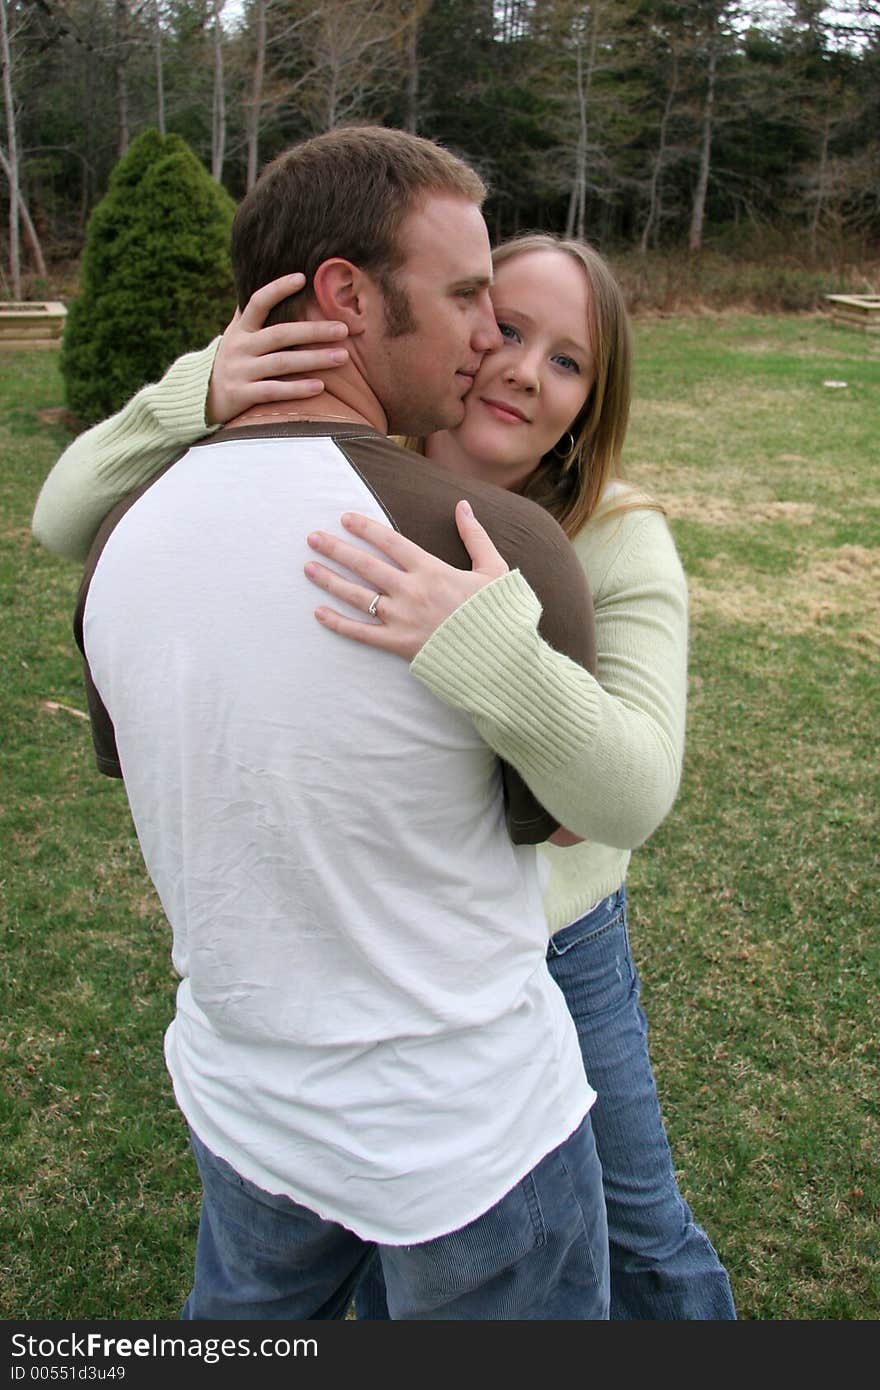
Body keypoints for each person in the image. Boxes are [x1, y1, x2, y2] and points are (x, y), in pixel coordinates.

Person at [34, 229, 736, 1318]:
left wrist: (498, 662)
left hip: (558, 940)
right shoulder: (332, 491)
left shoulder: (612, 539)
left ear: (592, 404)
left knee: (635, 1223)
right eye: (504, 326)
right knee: (364, 1239)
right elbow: (64, 513)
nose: (519, 368)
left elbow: (629, 783)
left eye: (567, 362)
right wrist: (194, 393)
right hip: (371, 951)